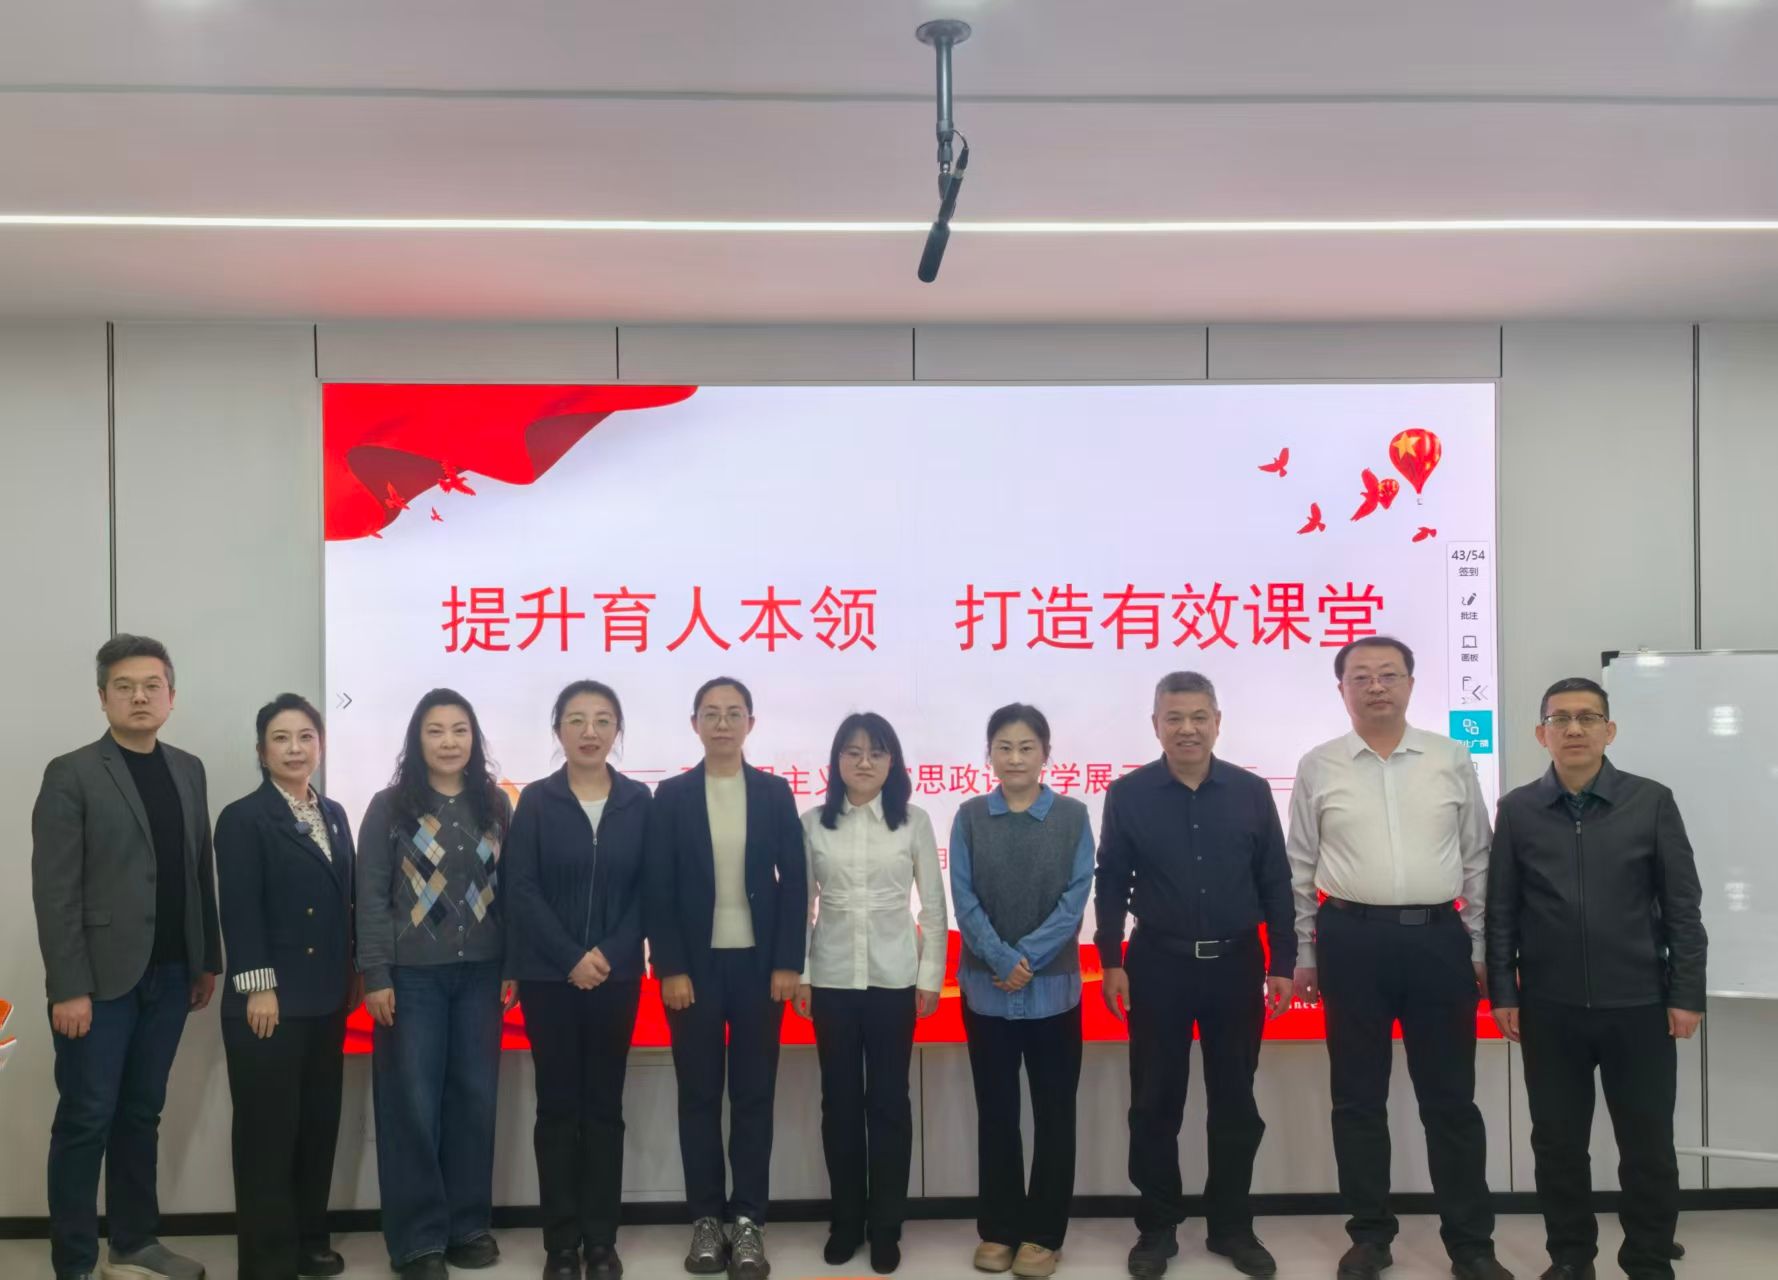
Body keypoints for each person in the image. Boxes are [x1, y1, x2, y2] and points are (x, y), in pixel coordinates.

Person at [1286, 636, 1508, 1280]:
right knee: (1357, 1098)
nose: (1376, 686)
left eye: (1389, 674)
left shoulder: (1449, 757)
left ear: (1411, 683)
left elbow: (1478, 858)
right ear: (1342, 690)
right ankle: (1370, 1236)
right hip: (1350, 940)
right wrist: (1305, 951)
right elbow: (1299, 865)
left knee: (1451, 1100)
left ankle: (1471, 1244)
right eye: (1361, 676)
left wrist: (1478, 945)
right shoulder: (1319, 764)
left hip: (1438, 941)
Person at [1486, 677, 1707, 1280]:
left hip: (1640, 1003)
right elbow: (1502, 909)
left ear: (1609, 730)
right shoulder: (1519, 810)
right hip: (1550, 1007)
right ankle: (1570, 1257)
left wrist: (1686, 992)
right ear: (1542, 734)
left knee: (1647, 1146)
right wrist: (1503, 990)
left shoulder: (1650, 801)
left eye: (1587, 717)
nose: (1574, 729)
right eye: (1560, 719)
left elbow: (1682, 906)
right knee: (1558, 1145)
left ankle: (1648, 1258)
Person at [31, 634, 221, 1280]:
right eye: (124, 687)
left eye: (151, 686)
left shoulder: (188, 769)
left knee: (142, 1113)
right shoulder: (72, 773)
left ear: (171, 696)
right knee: (86, 1118)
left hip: (171, 974)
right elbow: (55, 890)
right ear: (103, 697)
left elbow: (198, 869)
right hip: (97, 984)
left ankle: (135, 1243)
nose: (139, 697)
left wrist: (206, 958)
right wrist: (68, 987)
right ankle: (76, 1261)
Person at [1094, 672, 1295, 1279]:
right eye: (1174, 717)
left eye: (1199, 716)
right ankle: (1157, 1227)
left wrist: (1283, 963)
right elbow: (1111, 881)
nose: (1187, 728)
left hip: (1236, 965)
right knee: (1155, 1101)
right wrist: (1110, 960)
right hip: (1157, 964)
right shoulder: (1128, 795)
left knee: (1235, 1102)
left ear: (1217, 722)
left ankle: (1231, 1226)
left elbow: (1275, 880)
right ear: (1155, 725)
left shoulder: (1250, 791)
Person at [645, 677, 807, 1280]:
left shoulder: (773, 792)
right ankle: (706, 1220)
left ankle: (748, 1221)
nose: (721, 724)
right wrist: (671, 966)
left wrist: (788, 961)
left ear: (750, 724)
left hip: (761, 968)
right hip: (694, 969)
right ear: (694, 724)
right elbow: (658, 886)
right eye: (710, 714)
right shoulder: (672, 795)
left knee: (754, 1094)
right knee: (699, 1094)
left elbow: (795, 880)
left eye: (733, 713)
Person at [357, 689, 515, 1280]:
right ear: (416, 739)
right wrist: (376, 974)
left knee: (474, 1100)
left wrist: (512, 965)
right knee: (412, 1106)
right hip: (412, 980)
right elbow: (371, 896)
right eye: (435, 731)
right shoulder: (390, 807)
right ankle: (417, 1241)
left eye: (459, 730)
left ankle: (467, 1227)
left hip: (482, 975)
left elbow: (511, 890)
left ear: (474, 738)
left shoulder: (495, 804)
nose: (449, 742)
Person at [505, 681, 652, 1280]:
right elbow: (521, 888)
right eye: (577, 720)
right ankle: (561, 1244)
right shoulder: (536, 802)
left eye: (602, 720)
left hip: (617, 979)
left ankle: (602, 1242)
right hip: (549, 978)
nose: (590, 732)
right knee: (558, 1108)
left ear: (617, 730)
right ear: (558, 730)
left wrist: (609, 954)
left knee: (604, 1109)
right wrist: (570, 956)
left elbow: (650, 889)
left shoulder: (640, 801)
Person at [792, 712, 947, 1275]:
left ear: (892, 762)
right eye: (852, 752)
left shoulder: (913, 821)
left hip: (894, 980)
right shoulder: (814, 823)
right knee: (838, 1104)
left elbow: (934, 907)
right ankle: (846, 1221)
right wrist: (803, 973)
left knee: (888, 1104)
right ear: (836, 761)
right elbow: (801, 907)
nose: (864, 762)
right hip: (832, 980)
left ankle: (886, 1226)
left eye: (876, 753)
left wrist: (930, 977)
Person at [215, 693, 356, 1280]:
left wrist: (352, 976)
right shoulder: (243, 817)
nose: (295, 749)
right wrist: (258, 986)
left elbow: (343, 905)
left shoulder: (335, 813)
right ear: (261, 750)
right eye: (281, 738)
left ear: (320, 744)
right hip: (267, 1002)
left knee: (317, 1127)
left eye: (305, 737)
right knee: (267, 1135)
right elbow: (240, 907)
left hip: (325, 999)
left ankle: (308, 1242)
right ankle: (267, 1261)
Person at [950, 703, 1093, 1280]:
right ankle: (999, 1228)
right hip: (986, 991)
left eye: (1026, 747)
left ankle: (1044, 1235)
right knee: (997, 1114)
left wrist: (1026, 958)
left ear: (1045, 754)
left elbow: (1075, 899)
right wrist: (1002, 958)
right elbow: (964, 899)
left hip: (1054, 991)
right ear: (989, 754)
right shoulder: (968, 817)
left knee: (1055, 1115)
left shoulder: (1073, 816)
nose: (1014, 758)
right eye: (1004, 747)